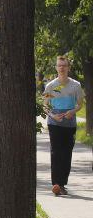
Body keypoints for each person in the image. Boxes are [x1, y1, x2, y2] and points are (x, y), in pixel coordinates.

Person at [43, 55, 85, 196]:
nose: (61, 68)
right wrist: (53, 116)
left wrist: (72, 111)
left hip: (70, 124)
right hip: (54, 123)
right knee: (56, 152)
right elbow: (45, 107)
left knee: (66, 153)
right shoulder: (50, 86)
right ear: (56, 67)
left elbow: (80, 105)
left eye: (64, 65)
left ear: (68, 68)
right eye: (59, 65)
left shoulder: (76, 85)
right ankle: (56, 184)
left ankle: (62, 184)